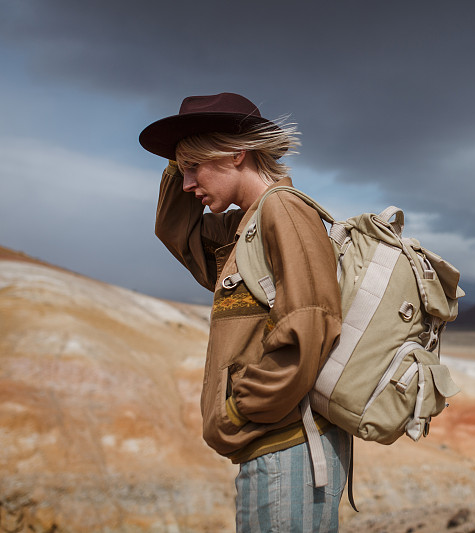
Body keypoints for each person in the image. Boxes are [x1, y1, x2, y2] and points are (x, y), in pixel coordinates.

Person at [139, 92, 348, 532]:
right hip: (269, 449)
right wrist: (178, 155)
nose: (186, 184)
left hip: (287, 449)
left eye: (194, 167)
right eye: (182, 170)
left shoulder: (284, 212)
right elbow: (176, 232)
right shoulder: (242, 229)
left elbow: (310, 323)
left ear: (235, 154)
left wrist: (241, 410)